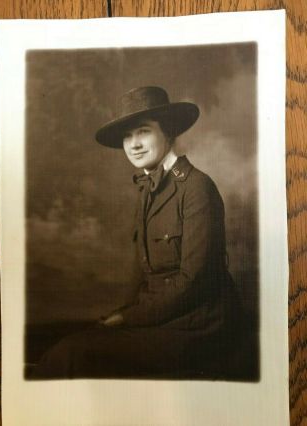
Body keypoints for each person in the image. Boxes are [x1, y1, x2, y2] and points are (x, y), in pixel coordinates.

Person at [35, 86, 242, 379]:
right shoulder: (148, 190)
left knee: (74, 354)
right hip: (158, 319)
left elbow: (194, 282)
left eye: (143, 131)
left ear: (168, 132)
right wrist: (121, 314)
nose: (134, 145)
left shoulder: (197, 188)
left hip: (197, 327)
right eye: (127, 136)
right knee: (70, 346)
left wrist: (127, 318)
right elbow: (143, 275)